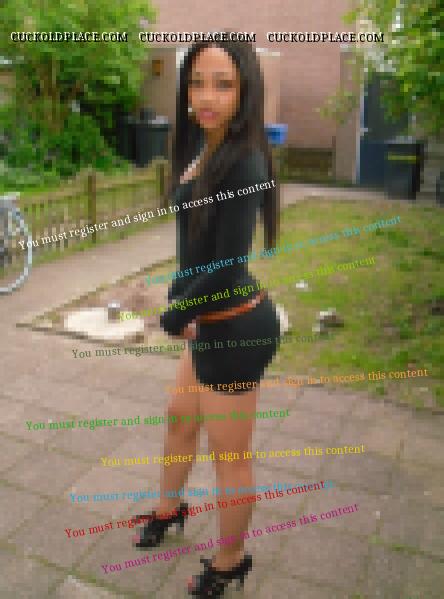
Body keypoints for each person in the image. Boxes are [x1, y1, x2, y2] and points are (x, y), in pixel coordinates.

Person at [132, 35, 281, 598]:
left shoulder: (245, 160)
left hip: (235, 327)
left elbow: (228, 264)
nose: (206, 96)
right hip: (208, 319)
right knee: (178, 420)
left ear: (246, 91)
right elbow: (198, 251)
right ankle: (169, 509)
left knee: (230, 460)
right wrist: (184, 298)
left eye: (223, 84)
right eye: (196, 83)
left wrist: (176, 314)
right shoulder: (202, 144)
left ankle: (230, 561)